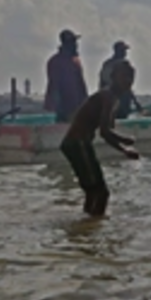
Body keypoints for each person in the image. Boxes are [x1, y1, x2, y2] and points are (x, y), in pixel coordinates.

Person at [60, 61, 140, 216]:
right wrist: (125, 142)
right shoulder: (107, 97)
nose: (128, 80)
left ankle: (86, 228)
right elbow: (105, 132)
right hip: (78, 143)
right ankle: (95, 227)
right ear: (113, 77)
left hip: (75, 144)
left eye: (131, 77)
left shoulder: (112, 99)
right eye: (124, 76)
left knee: (92, 191)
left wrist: (124, 150)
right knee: (101, 193)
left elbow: (107, 132)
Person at [45, 29, 89, 123]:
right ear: (67, 44)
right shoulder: (56, 62)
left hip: (78, 108)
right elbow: (55, 86)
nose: (76, 45)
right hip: (66, 110)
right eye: (73, 42)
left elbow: (81, 85)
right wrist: (61, 109)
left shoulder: (75, 61)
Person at [99, 40, 141, 119]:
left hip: (116, 101)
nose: (125, 53)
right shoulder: (117, 65)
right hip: (117, 101)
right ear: (118, 51)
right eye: (124, 50)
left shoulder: (108, 64)